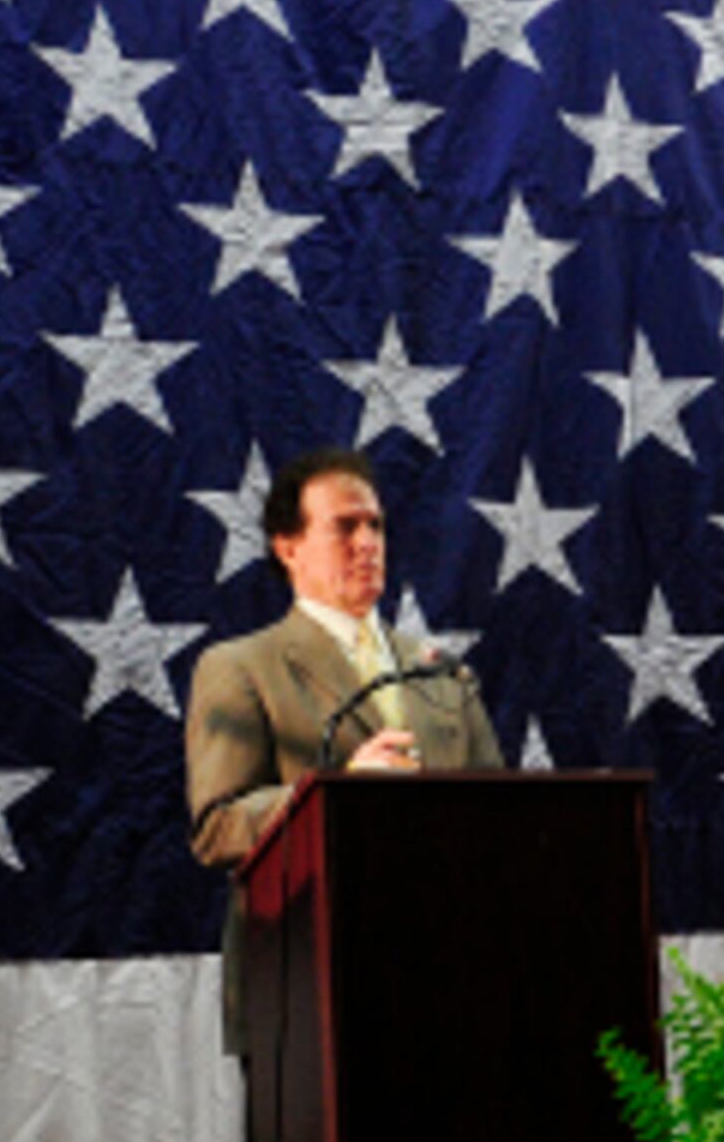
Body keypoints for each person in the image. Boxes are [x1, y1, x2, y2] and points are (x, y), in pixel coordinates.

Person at [184, 446, 503, 1047]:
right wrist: (334, 796)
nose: (367, 543)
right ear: (288, 547)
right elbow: (218, 826)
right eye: (344, 527)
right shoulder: (241, 667)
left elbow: (499, 814)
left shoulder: (441, 672)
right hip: (310, 985)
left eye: (375, 526)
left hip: (451, 978)